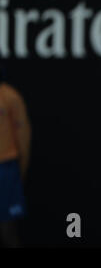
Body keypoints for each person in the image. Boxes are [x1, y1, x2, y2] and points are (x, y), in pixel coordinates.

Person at [0, 64, 31, 247]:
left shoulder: (10, 97)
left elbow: (23, 137)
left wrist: (20, 170)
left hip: (6, 168)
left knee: (7, 229)